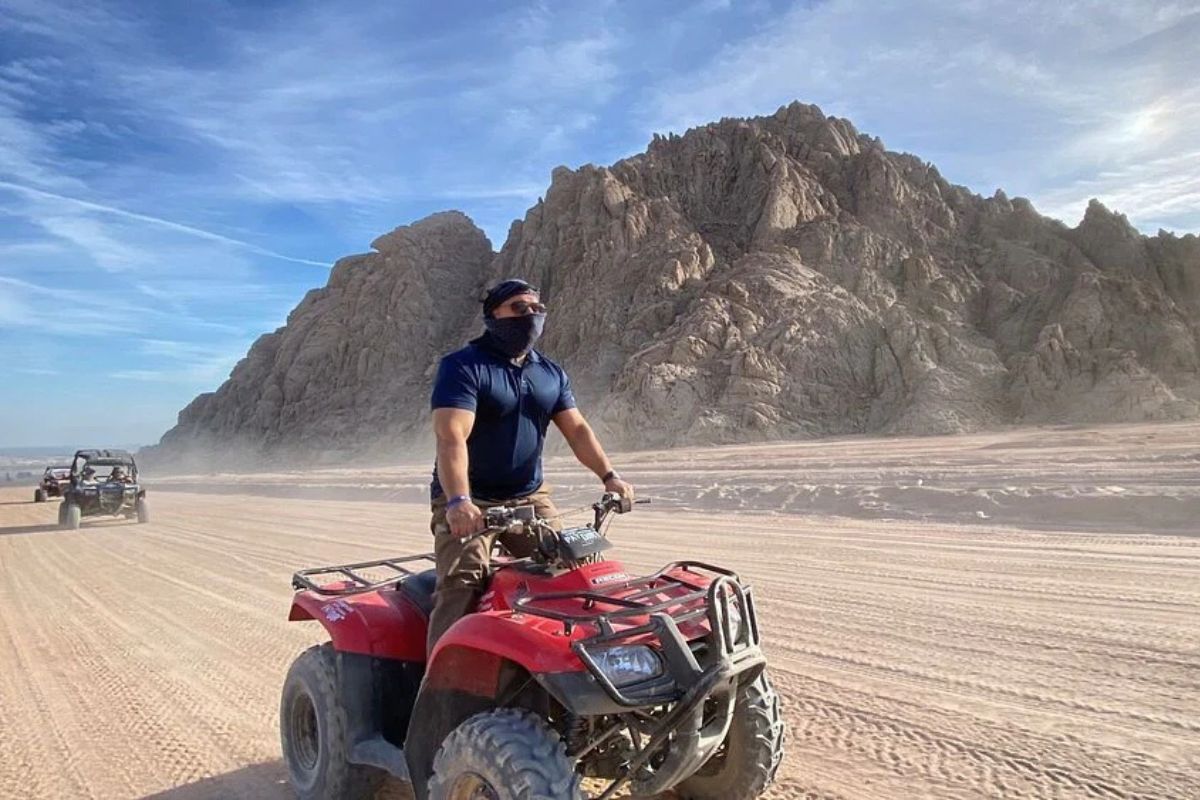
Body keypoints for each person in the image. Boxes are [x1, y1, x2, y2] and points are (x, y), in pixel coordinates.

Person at [426, 278, 634, 652]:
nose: (531, 316)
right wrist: (458, 501)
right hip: (472, 501)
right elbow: (451, 437)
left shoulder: (549, 373)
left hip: (528, 496)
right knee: (462, 584)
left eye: (537, 309)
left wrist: (609, 476)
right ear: (493, 316)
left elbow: (578, 430)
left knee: (574, 567)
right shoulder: (464, 366)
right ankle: (440, 691)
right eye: (518, 309)